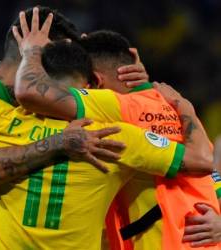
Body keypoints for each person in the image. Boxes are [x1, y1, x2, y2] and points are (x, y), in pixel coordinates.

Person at [0, 9, 215, 249]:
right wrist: (58, 143)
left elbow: (191, 168)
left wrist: (133, 85)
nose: (90, 87)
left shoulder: (93, 122)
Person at [12, 9, 219, 249]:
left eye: (87, 82)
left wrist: (32, 52)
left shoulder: (113, 106)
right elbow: (210, 178)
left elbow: (29, 91)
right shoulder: (174, 105)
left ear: (96, 82)